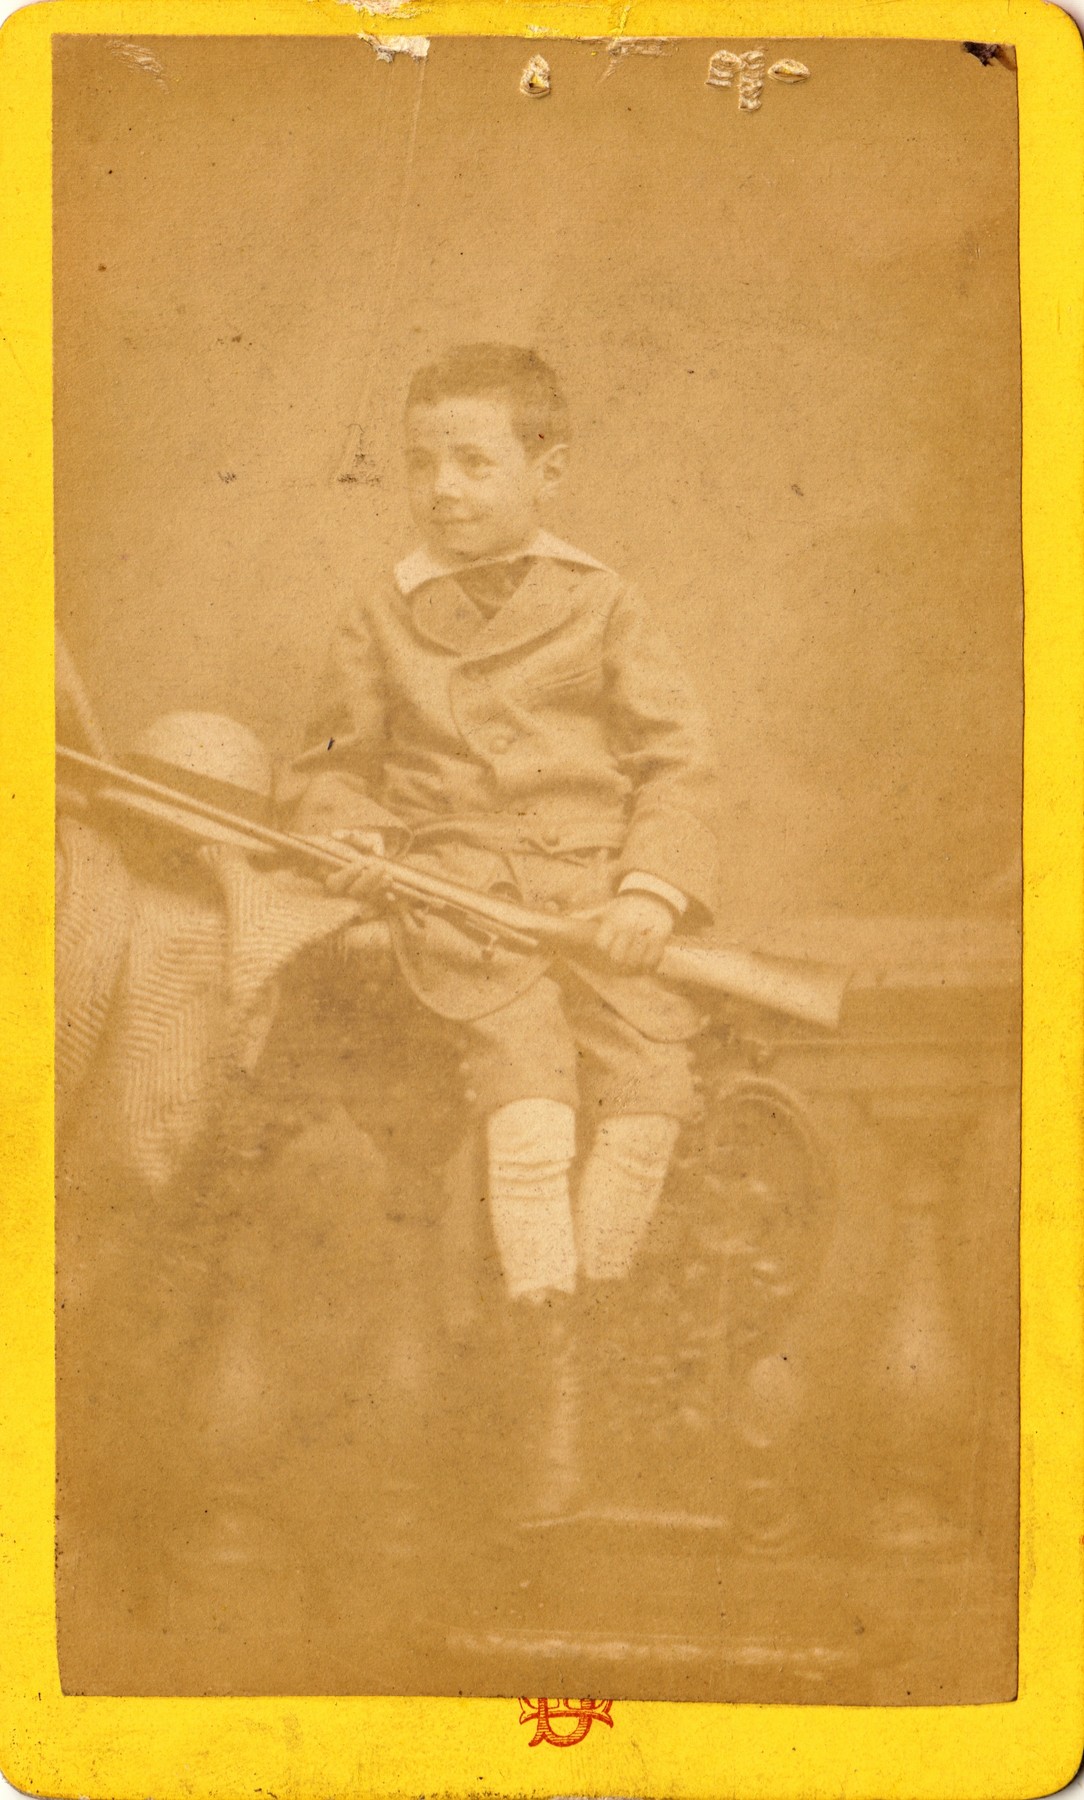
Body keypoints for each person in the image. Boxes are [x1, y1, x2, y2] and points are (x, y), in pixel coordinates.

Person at [282, 343, 721, 1515]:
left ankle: (586, 1332)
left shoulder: (604, 602)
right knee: (529, 1109)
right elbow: (326, 764)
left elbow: (676, 761)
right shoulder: (380, 611)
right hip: (462, 900)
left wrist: (650, 892)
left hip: (594, 901)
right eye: (422, 463)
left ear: (549, 470)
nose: (444, 488)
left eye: (474, 463)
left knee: (648, 1101)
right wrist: (350, 830)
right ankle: (549, 1400)